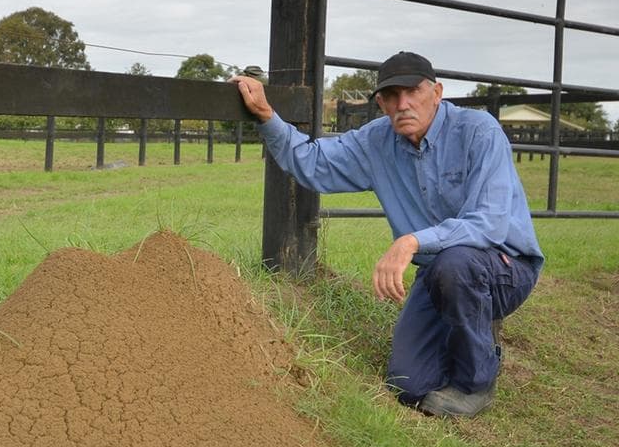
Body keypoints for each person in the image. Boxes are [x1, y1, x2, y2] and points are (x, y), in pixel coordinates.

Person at [229, 52, 543, 417]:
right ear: (381, 102)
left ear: (437, 92)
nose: (403, 104)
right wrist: (268, 117)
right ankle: (470, 331)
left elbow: (489, 224)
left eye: (413, 91)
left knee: (456, 265)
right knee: (408, 384)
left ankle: (475, 383)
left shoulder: (478, 131)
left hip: (504, 266)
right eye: (392, 96)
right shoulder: (377, 141)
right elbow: (314, 164)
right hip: (440, 271)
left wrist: (411, 241)